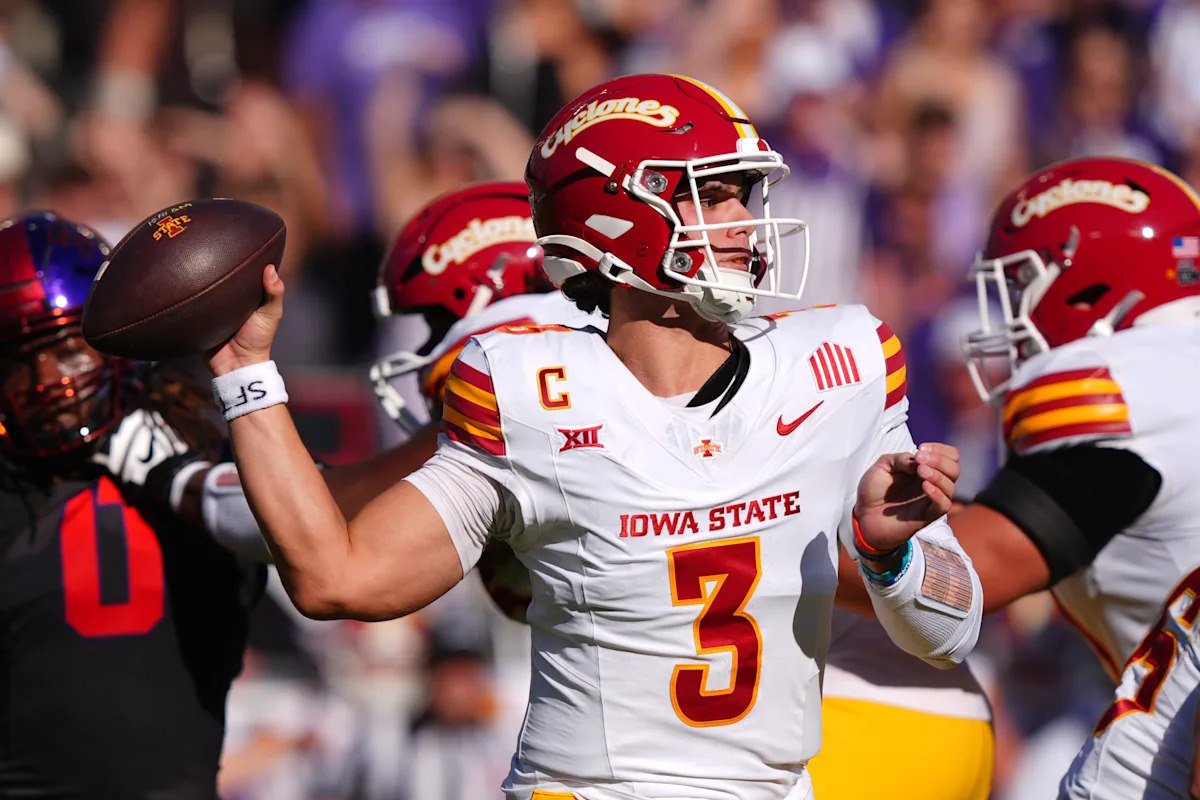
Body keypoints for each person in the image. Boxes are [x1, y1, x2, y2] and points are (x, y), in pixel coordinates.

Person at [202, 73, 983, 800]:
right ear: (619, 217)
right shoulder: (529, 391)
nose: (745, 221)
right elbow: (338, 578)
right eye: (713, 196)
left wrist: (890, 556)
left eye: (743, 194)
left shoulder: (839, 362)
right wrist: (247, 374)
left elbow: (953, 628)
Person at [873, 155, 1200, 799]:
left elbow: (954, 584)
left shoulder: (1129, 391)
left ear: (1091, 286)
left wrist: (778, 536)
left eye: (1023, 284)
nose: (1012, 315)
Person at [0, 211, 264, 798]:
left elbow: (317, 530)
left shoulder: (204, 438)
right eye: (19, 361)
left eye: (67, 350)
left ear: (119, 338)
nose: (49, 382)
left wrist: (181, 474)